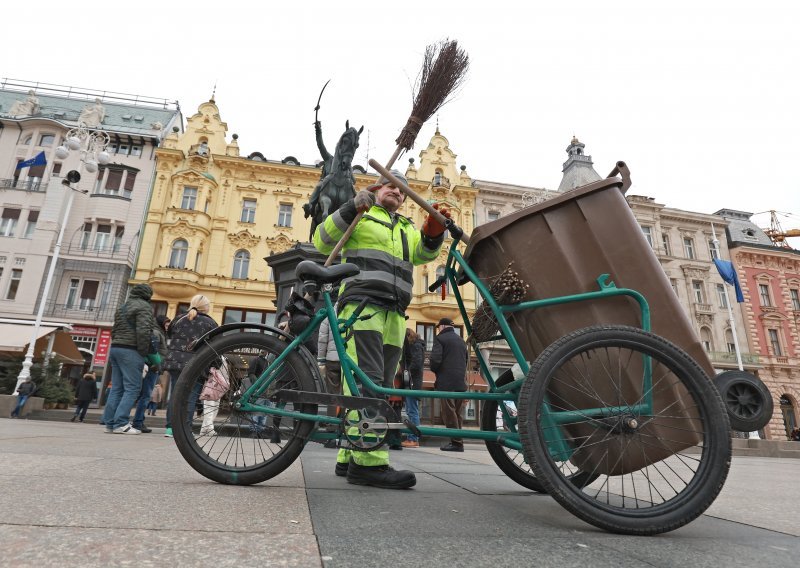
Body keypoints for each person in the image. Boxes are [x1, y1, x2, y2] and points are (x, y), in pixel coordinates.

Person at [313, 169, 449, 489]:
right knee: (367, 384)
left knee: (378, 387)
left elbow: (424, 253)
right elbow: (322, 240)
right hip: (363, 308)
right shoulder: (362, 214)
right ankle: (370, 462)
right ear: (377, 188)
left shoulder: (405, 227)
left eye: (403, 191)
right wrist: (349, 209)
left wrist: (432, 231)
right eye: (393, 187)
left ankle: (349, 455)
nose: (398, 194)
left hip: (394, 315)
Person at [101, 284, 156, 434]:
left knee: (117, 388)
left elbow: (115, 329)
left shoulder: (122, 307)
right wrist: (144, 353)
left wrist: (117, 342)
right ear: (147, 295)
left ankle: (110, 424)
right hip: (131, 350)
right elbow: (144, 332)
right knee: (133, 388)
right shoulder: (144, 307)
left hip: (116, 348)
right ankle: (121, 423)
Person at [163, 295, 218, 438]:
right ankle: (185, 429)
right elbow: (216, 346)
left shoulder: (178, 319)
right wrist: (215, 365)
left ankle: (170, 428)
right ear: (206, 307)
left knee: (175, 394)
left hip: (176, 362)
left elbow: (169, 335)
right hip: (196, 365)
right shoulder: (210, 323)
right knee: (191, 397)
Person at [430, 317, 468, 452]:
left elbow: (435, 360)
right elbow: (466, 361)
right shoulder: (462, 341)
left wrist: (435, 369)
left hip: (446, 382)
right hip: (460, 382)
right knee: (458, 413)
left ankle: (456, 443)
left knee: (448, 413)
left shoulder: (440, 339)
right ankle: (459, 441)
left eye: (438, 327)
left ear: (442, 326)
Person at [131, 315, 169, 433]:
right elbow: (153, 350)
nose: (168, 326)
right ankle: (137, 422)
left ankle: (139, 421)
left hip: (153, 367)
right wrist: (157, 365)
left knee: (144, 395)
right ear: (161, 323)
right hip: (152, 368)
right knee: (146, 396)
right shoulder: (157, 333)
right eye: (167, 323)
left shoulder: (159, 332)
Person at [317, 316, 342, 448]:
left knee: (332, 397)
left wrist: (321, 359)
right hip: (349, 360)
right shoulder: (352, 312)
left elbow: (322, 340)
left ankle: (331, 434)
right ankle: (344, 432)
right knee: (347, 397)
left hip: (332, 360)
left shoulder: (328, 318)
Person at [247, 350, 281, 444]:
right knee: (256, 411)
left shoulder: (271, 363)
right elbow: (251, 373)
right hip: (259, 390)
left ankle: (260, 431)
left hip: (269, 392)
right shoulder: (257, 360)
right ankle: (254, 431)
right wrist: (257, 385)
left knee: (264, 412)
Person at [401, 328, 425, 448]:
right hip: (411, 382)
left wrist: (405, 370)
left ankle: (413, 439)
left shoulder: (415, 346)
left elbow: (416, 363)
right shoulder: (417, 345)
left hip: (412, 383)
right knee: (412, 411)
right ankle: (412, 438)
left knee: (412, 411)